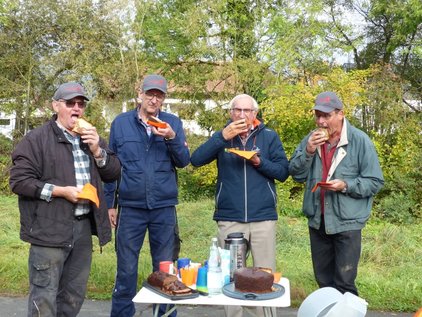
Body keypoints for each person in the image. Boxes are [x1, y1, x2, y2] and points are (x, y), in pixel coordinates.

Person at [9, 82, 121, 317]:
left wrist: (98, 151)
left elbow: (113, 173)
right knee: (45, 298)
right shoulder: (36, 139)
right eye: (70, 103)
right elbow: (19, 181)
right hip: (49, 228)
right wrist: (60, 191)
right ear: (56, 105)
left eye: (81, 104)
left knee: (73, 296)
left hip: (82, 228)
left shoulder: (91, 138)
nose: (77, 108)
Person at [190, 93, 289, 317]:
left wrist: (259, 162)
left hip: (263, 217)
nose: (242, 115)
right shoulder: (222, 137)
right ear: (230, 113)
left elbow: (283, 172)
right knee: (231, 276)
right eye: (237, 110)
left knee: (265, 277)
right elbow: (195, 160)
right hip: (230, 217)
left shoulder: (269, 137)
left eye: (247, 111)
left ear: (255, 114)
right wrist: (221, 137)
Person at [104, 74, 190, 317]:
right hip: (130, 208)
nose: (154, 99)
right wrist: (111, 204)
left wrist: (172, 138)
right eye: (150, 93)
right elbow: (110, 167)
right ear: (140, 94)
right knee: (126, 269)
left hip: (163, 207)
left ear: (163, 99)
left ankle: (164, 314)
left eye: (159, 95)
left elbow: (184, 161)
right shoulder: (120, 123)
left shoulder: (173, 123)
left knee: (164, 272)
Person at [289, 91, 384, 295]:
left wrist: (345, 185)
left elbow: (375, 182)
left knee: (344, 283)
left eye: (326, 116)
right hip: (318, 220)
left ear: (340, 114)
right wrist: (308, 151)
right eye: (317, 115)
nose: (321, 122)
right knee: (324, 283)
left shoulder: (360, 141)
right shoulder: (311, 140)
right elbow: (295, 174)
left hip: (347, 223)